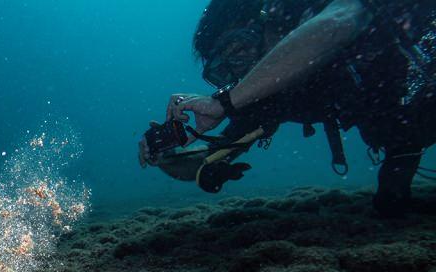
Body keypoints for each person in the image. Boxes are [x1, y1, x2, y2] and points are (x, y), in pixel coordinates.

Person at [139, 0, 436, 215]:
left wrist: (225, 101)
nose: (246, 68)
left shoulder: (322, 10)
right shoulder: (273, 96)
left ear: (269, 17)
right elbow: (215, 154)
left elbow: (341, 21)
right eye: (227, 67)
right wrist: (167, 156)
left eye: (239, 49)